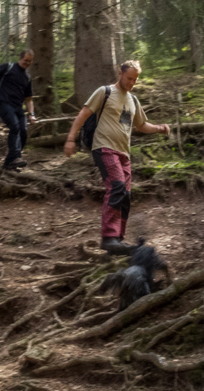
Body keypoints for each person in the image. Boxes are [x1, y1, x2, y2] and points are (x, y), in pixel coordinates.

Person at [64, 61, 170, 255]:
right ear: (119, 73)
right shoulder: (104, 92)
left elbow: (142, 125)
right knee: (117, 187)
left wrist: (160, 128)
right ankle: (108, 238)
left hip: (124, 154)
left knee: (126, 196)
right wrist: (71, 139)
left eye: (135, 80)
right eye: (129, 78)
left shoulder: (133, 100)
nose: (132, 83)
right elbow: (83, 114)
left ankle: (118, 240)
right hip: (104, 148)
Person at [0, 49, 36, 170]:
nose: (27, 63)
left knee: (23, 131)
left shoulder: (27, 77)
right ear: (20, 58)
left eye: (30, 61)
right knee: (15, 126)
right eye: (25, 60)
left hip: (18, 107)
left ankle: (10, 162)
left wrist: (31, 114)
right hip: (4, 103)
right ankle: (16, 158)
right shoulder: (8, 67)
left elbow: (29, 99)